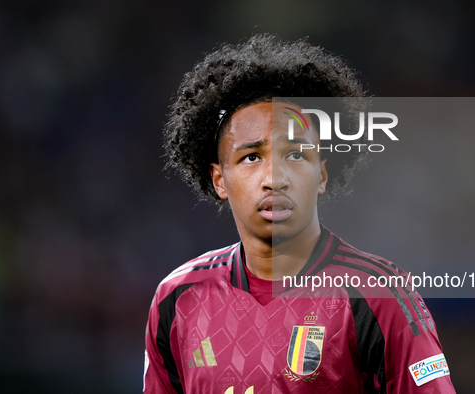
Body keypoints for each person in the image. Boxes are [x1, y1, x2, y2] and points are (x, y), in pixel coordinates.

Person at [144, 34, 455, 393]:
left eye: (295, 154)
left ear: (321, 174)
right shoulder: (177, 298)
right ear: (219, 180)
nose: (274, 178)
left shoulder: (376, 295)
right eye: (251, 157)